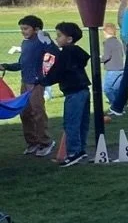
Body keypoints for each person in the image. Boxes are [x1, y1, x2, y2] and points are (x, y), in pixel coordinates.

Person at [0, 14, 56, 157]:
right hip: (25, 82)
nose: (23, 31)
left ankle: (46, 142)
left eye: (25, 28)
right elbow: (21, 64)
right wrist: (6, 66)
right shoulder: (25, 43)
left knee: (37, 112)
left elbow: (55, 54)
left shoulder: (41, 41)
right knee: (25, 113)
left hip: (36, 83)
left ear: (36, 29)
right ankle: (32, 142)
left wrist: (48, 41)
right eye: (21, 29)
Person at [43, 22, 92, 167]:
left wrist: (44, 80)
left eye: (59, 36)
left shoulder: (66, 53)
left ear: (69, 39)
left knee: (71, 123)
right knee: (82, 122)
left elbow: (58, 71)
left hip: (73, 92)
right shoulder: (75, 52)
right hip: (83, 90)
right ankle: (80, 149)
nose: (57, 38)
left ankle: (73, 152)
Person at [101, 23, 125, 106]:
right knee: (116, 89)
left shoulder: (107, 43)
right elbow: (121, 54)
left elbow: (107, 56)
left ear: (105, 32)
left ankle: (115, 105)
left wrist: (99, 59)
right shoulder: (118, 42)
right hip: (120, 69)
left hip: (112, 69)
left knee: (107, 88)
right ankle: (120, 106)